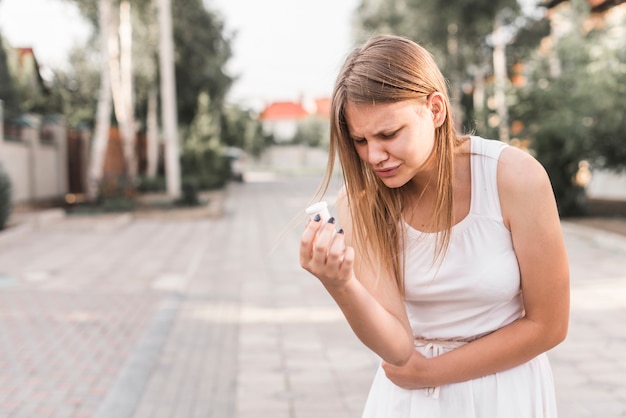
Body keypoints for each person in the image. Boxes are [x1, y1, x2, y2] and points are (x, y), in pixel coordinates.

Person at [299, 34, 569, 417]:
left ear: (436, 109)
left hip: (505, 392)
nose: (374, 156)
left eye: (388, 134)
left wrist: (428, 372)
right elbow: (396, 347)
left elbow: (549, 325)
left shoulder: (513, 177)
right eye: (359, 140)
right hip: (409, 403)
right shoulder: (359, 201)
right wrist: (340, 284)